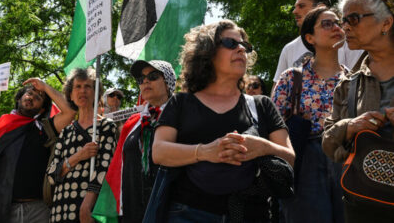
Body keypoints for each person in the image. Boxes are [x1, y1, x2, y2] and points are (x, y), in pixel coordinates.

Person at [153, 21, 295, 222]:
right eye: (231, 43)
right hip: (187, 213)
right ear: (207, 51)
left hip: (252, 215)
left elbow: (290, 158)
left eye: (245, 46)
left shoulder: (262, 105)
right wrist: (204, 152)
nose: (241, 49)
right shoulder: (181, 102)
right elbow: (158, 152)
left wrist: (262, 147)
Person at [322, 0, 394, 222]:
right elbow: (328, 143)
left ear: (386, 22)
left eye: (353, 18)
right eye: (343, 20)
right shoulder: (348, 84)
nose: (345, 27)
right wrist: (350, 128)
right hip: (363, 205)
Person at [272, 7, 347, 223]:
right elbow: (273, 127)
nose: (336, 27)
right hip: (304, 160)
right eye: (326, 23)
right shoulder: (291, 78)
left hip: (344, 159)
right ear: (309, 37)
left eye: (338, 23)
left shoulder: (355, 80)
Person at [0, 78, 76, 223]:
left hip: (38, 210)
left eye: (38, 97)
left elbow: (70, 112)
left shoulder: (44, 128)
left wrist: (45, 87)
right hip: (6, 210)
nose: (32, 97)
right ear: (20, 97)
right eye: (29, 93)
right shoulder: (2, 127)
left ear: (41, 109)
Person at [93, 60, 177, 222]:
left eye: (153, 76)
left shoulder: (182, 115)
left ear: (168, 82)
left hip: (172, 209)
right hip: (133, 210)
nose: (145, 81)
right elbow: (117, 167)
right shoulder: (132, 122)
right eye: (141, 79)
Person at [47, 68, 117, 223]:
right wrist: (79, 156)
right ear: (70, 95)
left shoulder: (106, 126)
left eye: (88, 86)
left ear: (96, 93)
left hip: (88, 209)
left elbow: (104, 168)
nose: (82, 91)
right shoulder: (65, 132)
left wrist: (87, 204)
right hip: (60, 210)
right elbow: (52, 175)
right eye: (77, 87)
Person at [273, 0, 363, 85]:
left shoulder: (349, 42)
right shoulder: (289, 50)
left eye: (301, 6)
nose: (294, 11)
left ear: (321, 7)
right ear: (309, 39)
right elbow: (276, 90)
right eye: (327, 24)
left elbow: (357, 82)